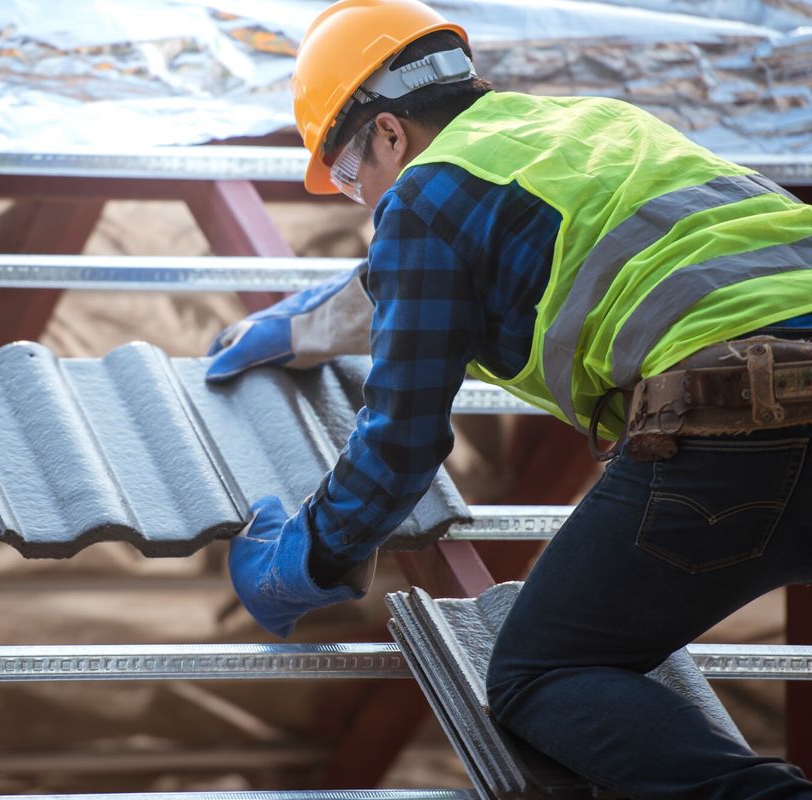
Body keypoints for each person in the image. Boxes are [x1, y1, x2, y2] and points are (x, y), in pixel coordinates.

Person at [205, 0, 812, 797]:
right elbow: (480, 257)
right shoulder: (588, 124)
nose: (364, 199)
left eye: (349, 173)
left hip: (740, 421)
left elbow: (400, 444)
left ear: (389, 131)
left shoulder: (420, 197)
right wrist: (311, 323)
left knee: (543, 672)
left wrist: (312, 556)